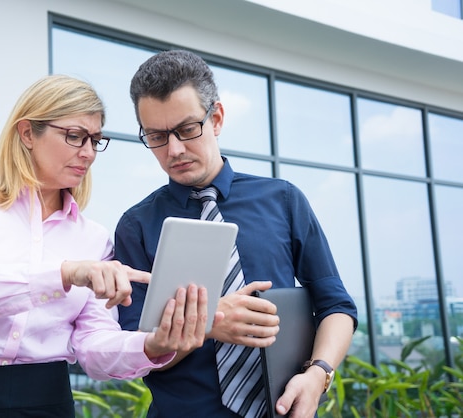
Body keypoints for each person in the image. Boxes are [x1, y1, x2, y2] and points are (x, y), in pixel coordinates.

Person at [0, 74, 210, 418]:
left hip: (46, 402)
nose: (88, 153)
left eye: (95, 140)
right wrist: (64, 274)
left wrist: (152, 345)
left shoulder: (92, 239)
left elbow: (93, 346)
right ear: (28, 133)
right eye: (75, 137)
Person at [116, 50, 358, 418]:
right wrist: (210, 323)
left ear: (216, 118)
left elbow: (336, 307)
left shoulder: (284, 200)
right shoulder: (136, 226)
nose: (174, 149)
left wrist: (317, 375)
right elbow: (137, 350)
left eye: (186, 129)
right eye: (157, 136)